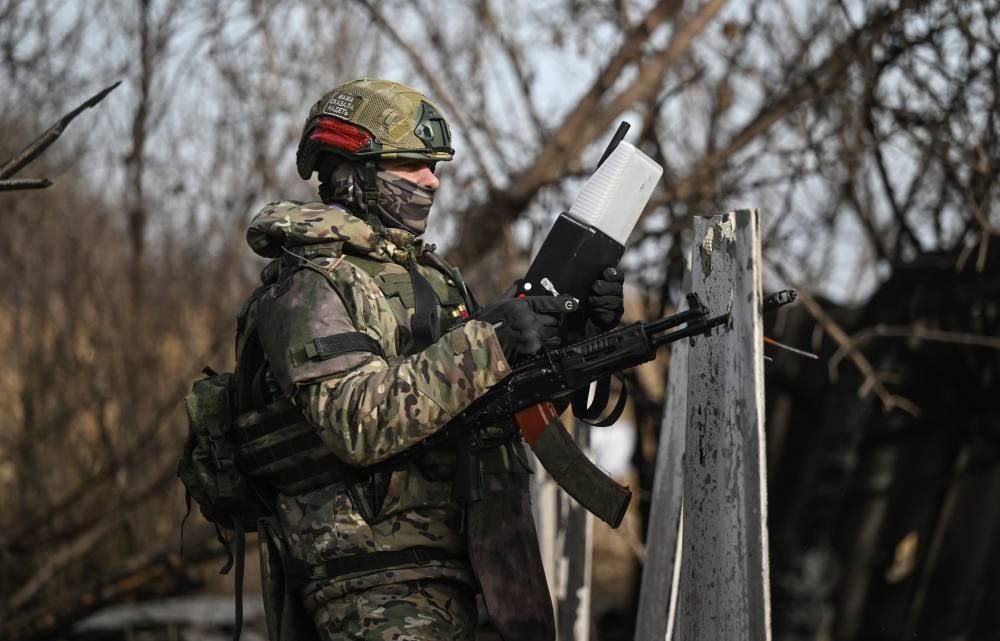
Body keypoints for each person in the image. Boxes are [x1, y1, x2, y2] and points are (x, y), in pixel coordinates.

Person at [235, 79, 624, 641]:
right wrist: (490, 341)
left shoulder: (434, 283)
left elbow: (489, 417)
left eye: (435, 165)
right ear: (352, 171)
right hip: (373, 583)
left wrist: (575, 339)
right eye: (411, 163)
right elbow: (357, 421)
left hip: (478, 568)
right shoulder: (307, 288)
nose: (432, 180)